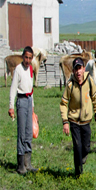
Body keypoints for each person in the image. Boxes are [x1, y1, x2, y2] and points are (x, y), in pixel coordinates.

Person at [60, 57, 96, 177]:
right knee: (77, 147)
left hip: (86, 121)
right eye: (76, 69)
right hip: (74, 121)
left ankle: (82, 158)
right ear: (73, 71)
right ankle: (78, 172)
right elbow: (63, 103)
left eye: (80, 68)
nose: (78, 72)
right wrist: (65, 122)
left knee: (86, 147)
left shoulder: (89, 81)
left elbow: (95, 97)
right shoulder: (70, 85)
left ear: (84, 69)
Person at [8, 46, 38, 174]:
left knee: (28, 133)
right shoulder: (18, 70)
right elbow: (13, 89)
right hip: (21, 101)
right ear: (22, 57)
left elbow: (31, 89)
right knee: (21, 133)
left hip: (29, 100)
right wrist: (11, 107)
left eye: (30, 58)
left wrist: (33, 107)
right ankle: (20, 166)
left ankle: (28, 163)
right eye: (26, 57)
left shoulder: (30, 69)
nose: (28, 60)